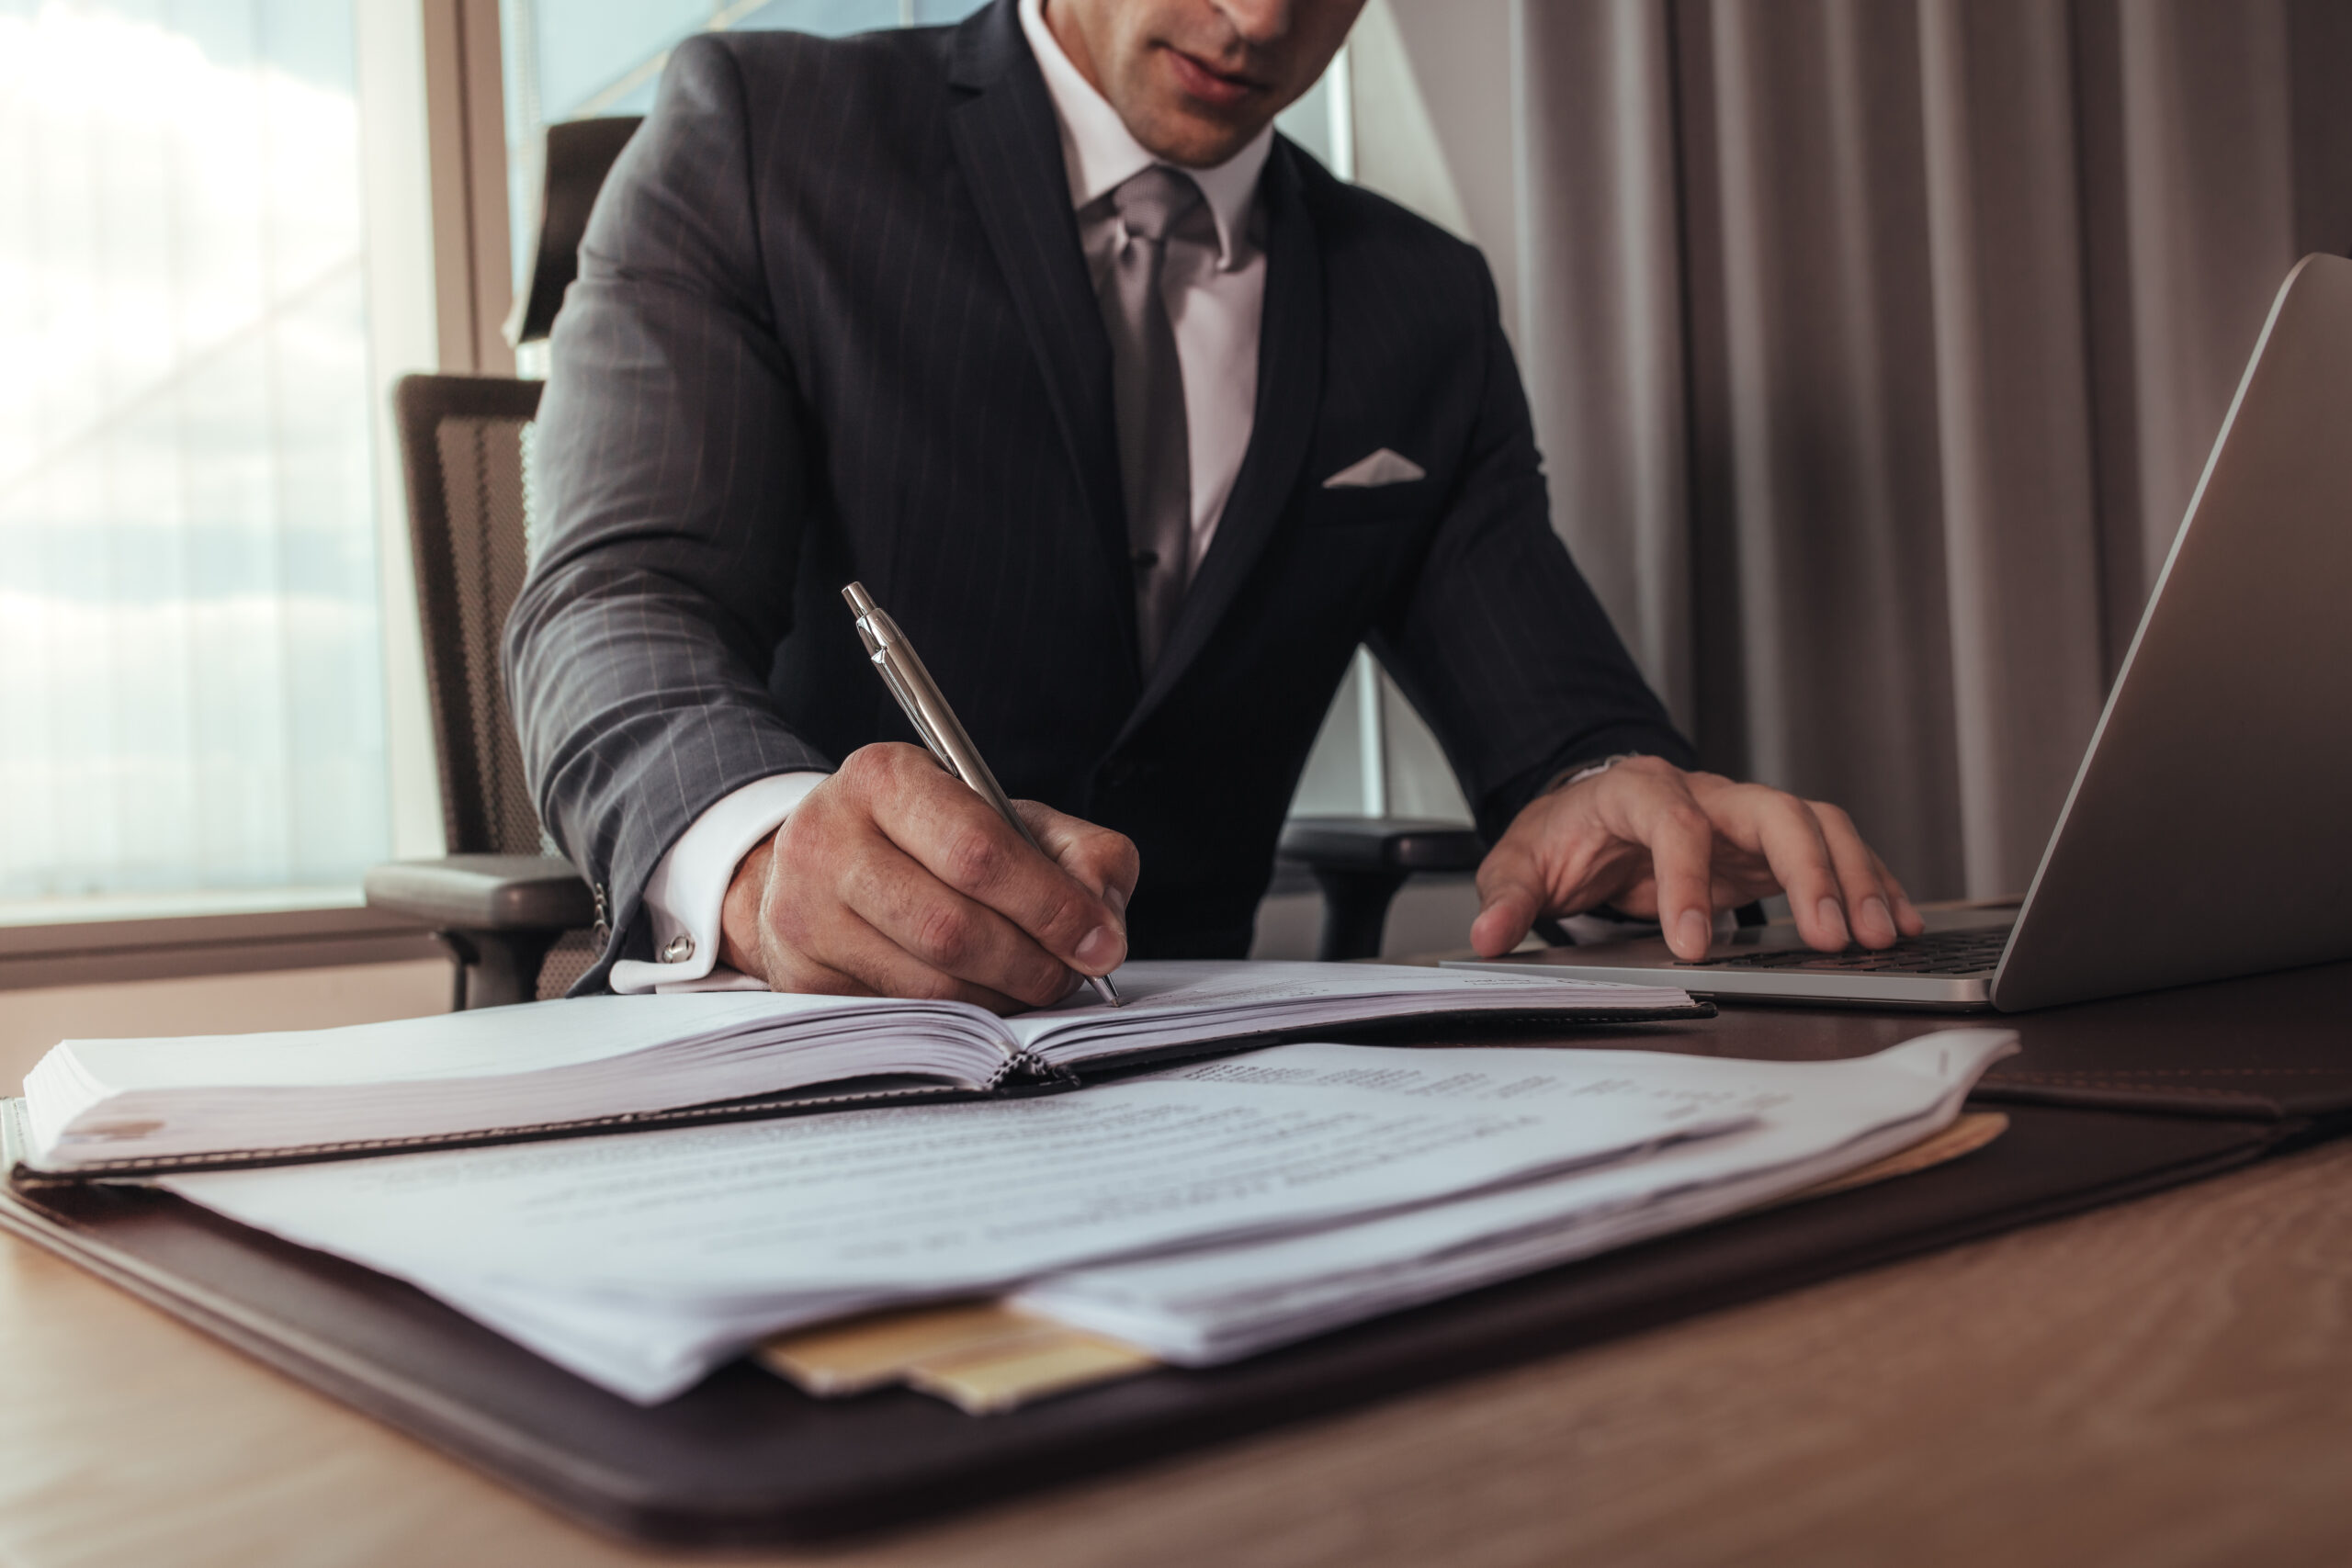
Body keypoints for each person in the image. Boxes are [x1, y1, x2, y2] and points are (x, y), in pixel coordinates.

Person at [507, 0, 1924, 1010]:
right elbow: (615, 606)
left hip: (1200, 1068)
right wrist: (759, 860)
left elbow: (1558, 725)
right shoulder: (761, 134)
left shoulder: (1417, 304)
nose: (1258, 19)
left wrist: (1610, 796)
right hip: (797, 1049)